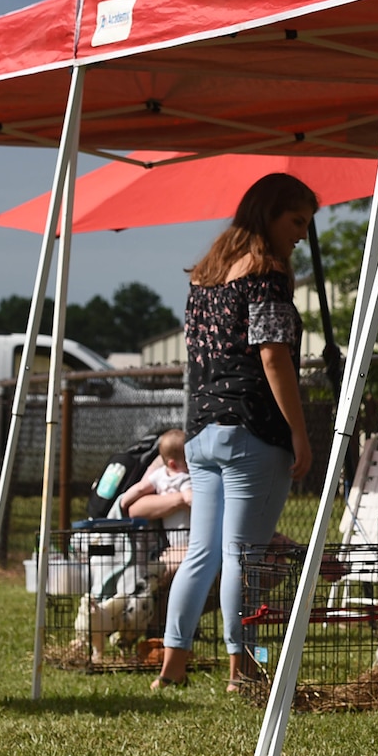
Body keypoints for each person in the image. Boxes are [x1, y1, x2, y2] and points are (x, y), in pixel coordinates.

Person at [153, 173, 317, 692]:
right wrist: (299, 431)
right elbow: (274, 355)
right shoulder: (265, 276)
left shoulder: (204, 279)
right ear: (268, 214)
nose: (301, 235)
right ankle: (240, 670)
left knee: (203, 554)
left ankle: (172, 669)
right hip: (253, 430)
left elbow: (195, 361)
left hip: (202, 432)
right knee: (243, 557)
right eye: (296, 222)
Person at [119, 428, 193, 540]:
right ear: (173, 464)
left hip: (171, 534)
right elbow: (189, 498)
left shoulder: (159, 475)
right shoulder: (184, 479)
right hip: (187, 534)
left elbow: (140, 488)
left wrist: (124, 501)